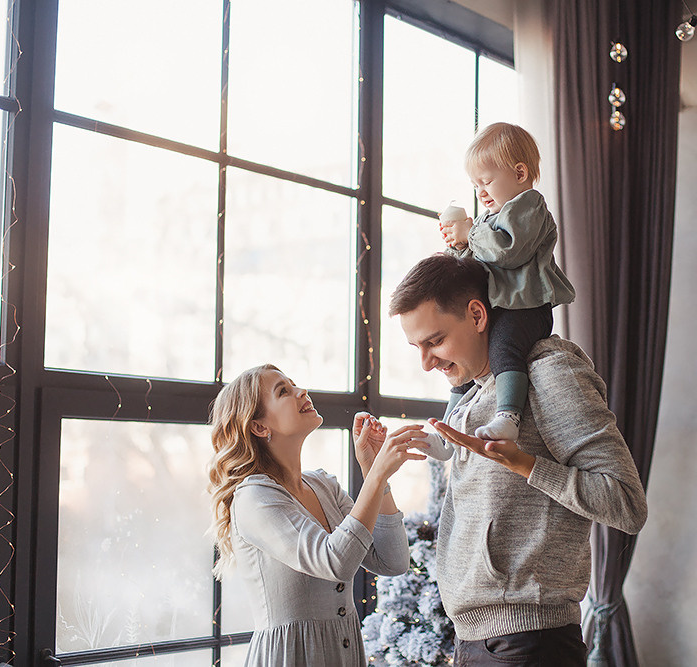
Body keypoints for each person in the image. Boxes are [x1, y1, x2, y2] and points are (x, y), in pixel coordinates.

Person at [388, 254, 647, 666]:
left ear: (477, 314)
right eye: (416, 347)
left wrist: (526, 465)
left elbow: (627, 504)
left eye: (435, 341)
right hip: (475, 640)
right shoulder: (474, 393)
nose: (426, 362)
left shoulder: (550, 372)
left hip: (529, 643)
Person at [207, 364, 427, 667]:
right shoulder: (254, 498)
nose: (302, 391)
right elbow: (334, 562)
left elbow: (392, 561)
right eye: (283, 391)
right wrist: (376, 476)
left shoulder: (323, 485)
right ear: (259, 426)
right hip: (290, 657)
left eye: (294, 384)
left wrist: (373, 471)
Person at [434, 121, 575, 443]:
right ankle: (446, 435)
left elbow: (508, 251)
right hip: (497, 309)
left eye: (486, 181)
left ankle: (508, 415)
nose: (480, 191)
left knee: (503, 351)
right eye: (475, 185)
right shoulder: (486, 219)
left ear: (520, 174)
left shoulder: (530, 207)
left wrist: (470, 233)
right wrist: (457, 247)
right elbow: (472, 267)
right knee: (465, 363)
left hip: (525, 308)